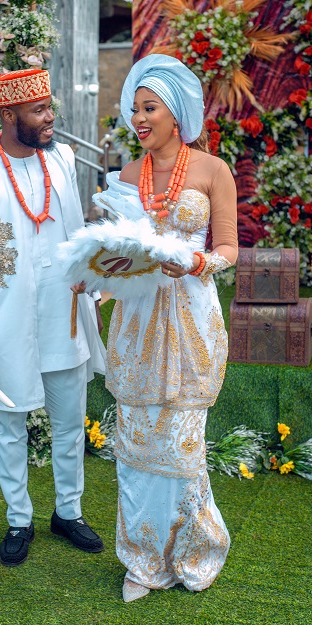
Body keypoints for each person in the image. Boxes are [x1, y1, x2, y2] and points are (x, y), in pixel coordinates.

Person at [0, 68, 107, 567]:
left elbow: (75, 232)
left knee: (68, 424)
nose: (50, 117)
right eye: (38, 110)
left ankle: (68, 512)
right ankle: (19, 520)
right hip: (2, 327)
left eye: (49, 106)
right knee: (10, 426)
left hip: (64, 315)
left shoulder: (60, 157)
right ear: (8, 114)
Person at [93, 55, 238, 602]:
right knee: (134, 443)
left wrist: (197, 265)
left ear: (175, 114)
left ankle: (194, 553)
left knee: (182, 446)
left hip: (193, 321)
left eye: (149, 108)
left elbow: (228, 248)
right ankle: (143, 563)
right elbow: (121, 252)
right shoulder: (128, 176)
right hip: (135, 321)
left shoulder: (211, 170)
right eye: (134, 110)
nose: (139, 119)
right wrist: (95, 270)